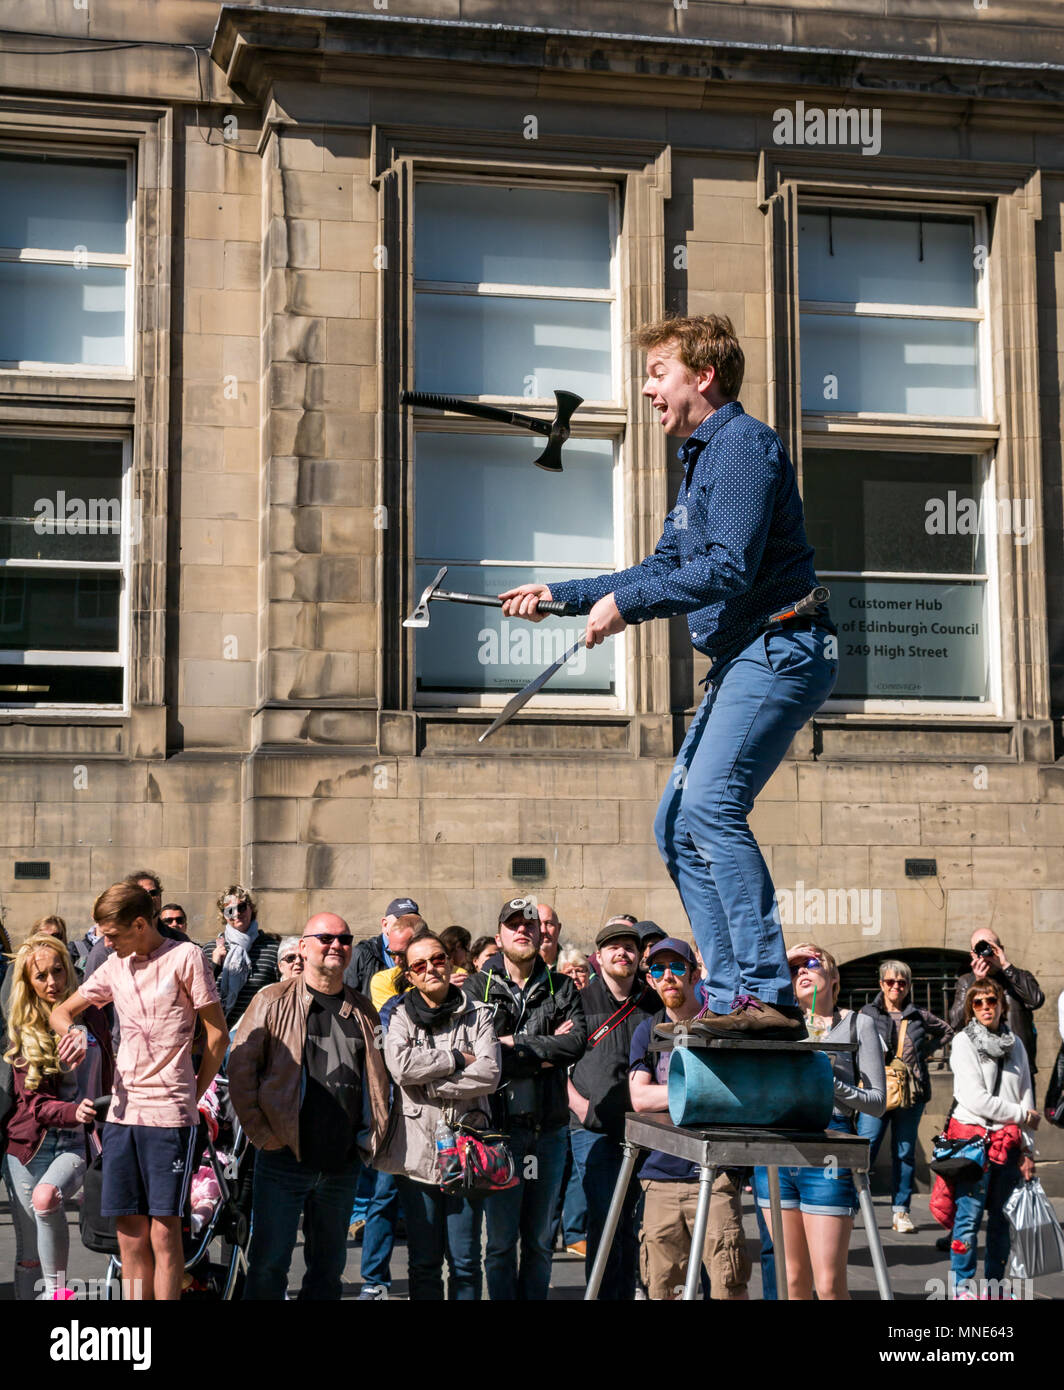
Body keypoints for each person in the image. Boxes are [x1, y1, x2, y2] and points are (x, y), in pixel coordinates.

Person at [502, 315, 837, 1040]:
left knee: (711, 808)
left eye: (659, 372)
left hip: (780, 645)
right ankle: (732, 998)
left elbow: (727, 569)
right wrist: (565, 595)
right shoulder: (700, 460)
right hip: (750, 654)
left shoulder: (743, 445)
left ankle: (767, 991)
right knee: (677, 826)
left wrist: (623, 605)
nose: (647, 388)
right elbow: (661, 571)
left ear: (703, 377)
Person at [49, 882, 228, 1301]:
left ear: (141, 923)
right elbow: (61, 1011)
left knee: (165, 1235)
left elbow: (217, 1035)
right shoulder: (115, 964)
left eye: (111, 934)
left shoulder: (185, 957)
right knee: (129, 1236)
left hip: (170, 1120)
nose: (104, 942)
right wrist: (72, 1030)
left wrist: (193, 1091)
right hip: (122, 1117)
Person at [228, 913, 393, 1300]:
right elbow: (240, 1070)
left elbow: (378, 1079)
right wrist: (263, 1135)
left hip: (341, 1162)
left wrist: (369, 1140)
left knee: (328, 1269)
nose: (336, 944)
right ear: (303, 946)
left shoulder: (364, 1010)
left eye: (345, 938)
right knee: (269, 1264)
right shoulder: (272, 1000)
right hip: (284, 1160)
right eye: (325, 937)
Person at [465, 898, 587, 1300]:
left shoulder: (561, 985)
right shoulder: (476, 986)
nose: (523, 930)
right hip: (500, 1135)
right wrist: (543, 1050)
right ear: (499, 936)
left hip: (546, 1133)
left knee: (538, 1240)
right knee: (499, 1244)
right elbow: (477, 1054)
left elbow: (574, 1044)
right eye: (513, 925)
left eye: (530, 925)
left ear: (542, 933)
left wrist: (513, 1043)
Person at [752, 943, 885, 1300]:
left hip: (830, 1146)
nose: (803, 972)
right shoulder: (776, 1023)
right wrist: (779, 959)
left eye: (812, 963)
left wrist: (832, 1080)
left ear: (834, 974)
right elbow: (738, 994)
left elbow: (877, 1104)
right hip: (777, 1148)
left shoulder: (859, 1024)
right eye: (793, 969)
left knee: (827, 1283)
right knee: (791, 1279)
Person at [384, 929, 501, 1300]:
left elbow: (489, 1074)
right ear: (410, 974)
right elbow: (400, 1068)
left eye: (438, 959)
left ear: (451, 963)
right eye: (421, 964)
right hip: (417, 1153)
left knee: (466, 1261)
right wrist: (453, 1059)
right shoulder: (399, 1015)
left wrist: (433, 1085)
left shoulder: (479, 1013)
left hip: (469, 1154)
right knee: (424, 1261)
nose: (431, 968)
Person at [632, 938, 750, 1300]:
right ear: (650, 980)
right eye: (657, 969)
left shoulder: (719, 1025)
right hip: (660, 1178)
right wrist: (702, 1092)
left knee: (728, 1286)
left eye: (677, 967)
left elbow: (733, 1094)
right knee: (662, 1287)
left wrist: (667, 1095)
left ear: (695, 973)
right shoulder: (647, 1031)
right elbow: (639, 1099)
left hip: (715, 1175)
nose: (668, 976)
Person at [3, 934, 113, 1299]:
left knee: (47, 1199)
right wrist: (72, 1110)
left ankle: (57, 1294)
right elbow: (32, 1103)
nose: (52, 983)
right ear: (28, 982)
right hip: (28, 1146)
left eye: (58, 971)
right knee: (30, 1252)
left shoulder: (92, 1013)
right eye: (41, 976)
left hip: (79, 1140)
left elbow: (113, 1068)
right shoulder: (23, 1023)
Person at [568, 918, 661, 1299]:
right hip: (593, 1130)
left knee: (634, 1224)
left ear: (639, 956)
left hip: (646, 1127)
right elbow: (558, 1058)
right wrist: (579, 1107)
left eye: (629, 946)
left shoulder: (654, 1003)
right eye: (614, 947)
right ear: (599, 955)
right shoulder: (578, 1000)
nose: (622, 952)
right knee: (605, 1224)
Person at [945, 979, 1037, 1299]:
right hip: (974, 1142)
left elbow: (1027, 1094)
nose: (986, 1007)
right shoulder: (963, 1042)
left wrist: (1027, 1146)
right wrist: (1022, 1116)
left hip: (1009, 1143)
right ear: (971, 1007)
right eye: (978, 1002)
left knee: (1001, 1221)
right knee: (968, 1219)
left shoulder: (1017, 1045)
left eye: (991, 1001)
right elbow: (975, 1099)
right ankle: (962, 1288)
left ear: (1002, 1005)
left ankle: (995, 1288)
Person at [858, 959, 951, 1232]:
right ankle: (851, 1204)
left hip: (911, 1094)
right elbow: (853, 1042)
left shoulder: (919, 1014)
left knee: (904, 1152)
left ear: (909, 986)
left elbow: (947, 1030)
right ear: (881, 985)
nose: (896, 987)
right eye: (890, 982)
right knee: (866, 1148)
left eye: (902, 982)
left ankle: (901, 1212)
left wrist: (925, 1051)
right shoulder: (867, 1013)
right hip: (875, 1092)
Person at [950, 929, 1043, 1075]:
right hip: (983, 1065)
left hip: (1017, 1063)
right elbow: (956, 1021)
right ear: (973, 954)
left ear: (1001, 949)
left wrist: (1005, 965)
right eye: (980, 949)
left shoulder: (1019, 977)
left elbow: (1036, 1000)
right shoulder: (966, 981)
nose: (986, 954)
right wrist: (977, 983)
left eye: (991, 948)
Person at [207, 885, 280, 1029]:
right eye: (229, 910)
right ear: (224, 915)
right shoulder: (211, 949)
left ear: (251, 908)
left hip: (258, 1033)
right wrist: (214, 966)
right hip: (219, 1033)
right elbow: (199, 993)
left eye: (241, 907)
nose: (236, 914)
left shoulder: (272, 948)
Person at [345, 897, 421, 995]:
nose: (410, 927)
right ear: (385, 925)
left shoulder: (424, 954)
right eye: (402, 922)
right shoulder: (361, 954)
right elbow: (347, 995)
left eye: (415, 923)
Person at [537, 904, 562, 968]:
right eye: (538, 924)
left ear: (558, 928)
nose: (543, 930)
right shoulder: (521, 965)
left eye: (549, 924)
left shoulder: (574, 965)